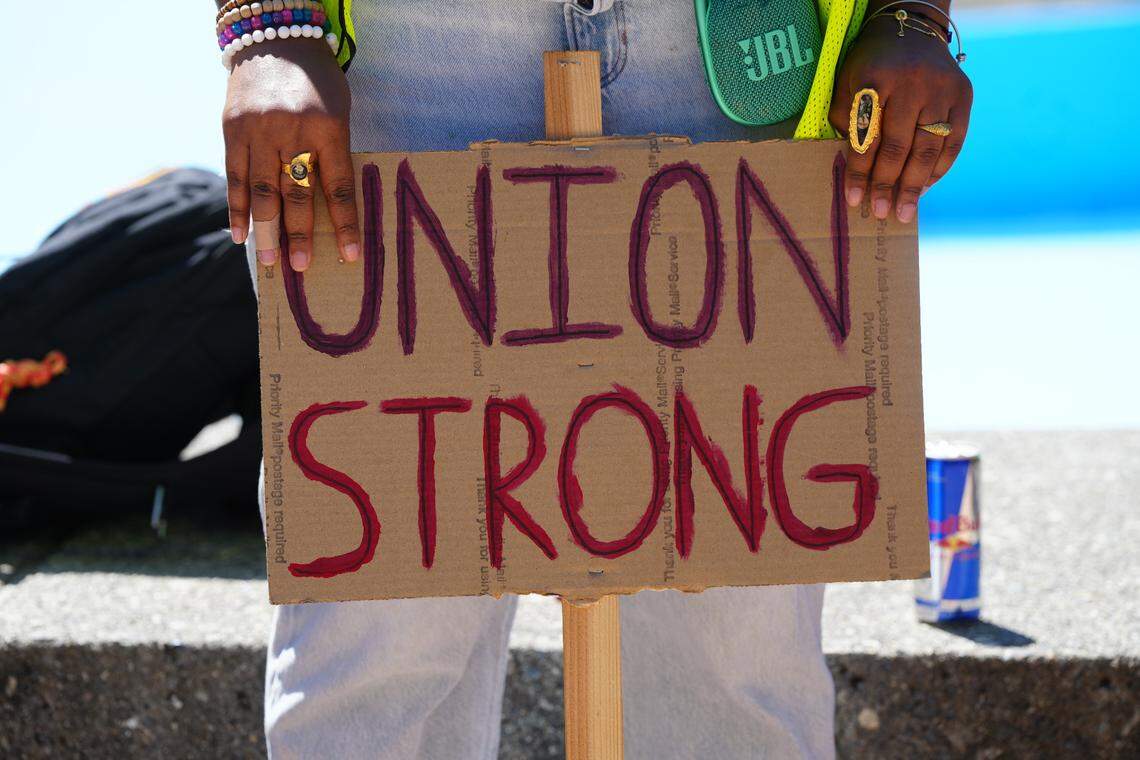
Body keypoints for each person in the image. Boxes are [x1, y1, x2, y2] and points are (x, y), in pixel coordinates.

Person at [219, 1, 972, 757]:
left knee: (733, 670)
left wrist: (908, 13)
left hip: (732, 56)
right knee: (373, 665)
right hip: (414, 53)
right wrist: (267, 28)